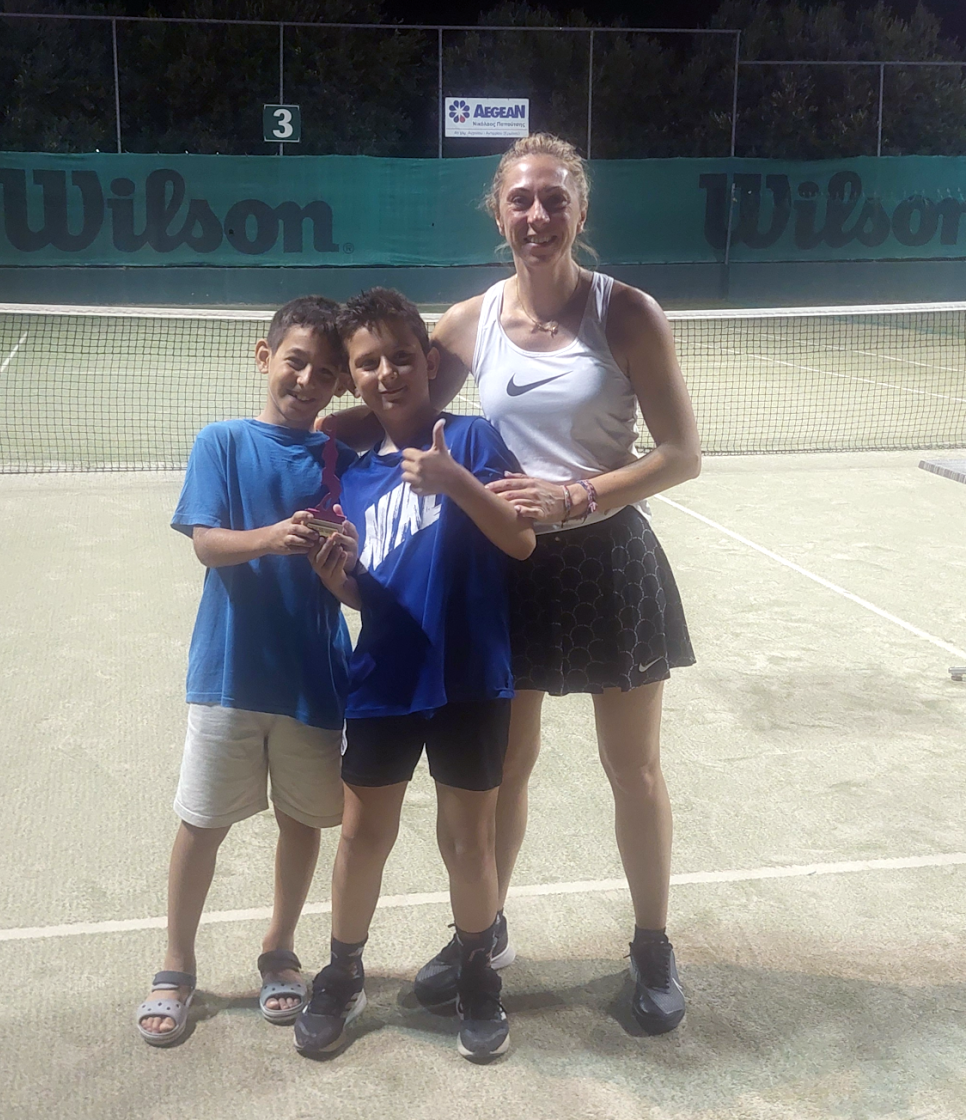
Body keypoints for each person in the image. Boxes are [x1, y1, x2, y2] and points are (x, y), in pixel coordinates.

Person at [324, 134, 701, 1035]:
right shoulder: (468, 321)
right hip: (503, 567)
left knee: (632, 768)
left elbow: (681, 455)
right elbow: (398, 400)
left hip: (608, 563)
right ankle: (483, 936)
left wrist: (578, 494)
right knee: (503, 770)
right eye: (520, 200)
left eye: (554, 199)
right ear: (496, 212)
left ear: (579, 210)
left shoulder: (627, 313)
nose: (537, 215)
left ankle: (652, 945)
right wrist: (290, 436)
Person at [293, 287, 535, 1062]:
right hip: (386, 676)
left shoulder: (471, 438)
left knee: (469, 843)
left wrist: (453, 479)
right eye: (368, 363)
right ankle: (342, 972)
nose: (387, 373)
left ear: (428, 362)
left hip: (471, 676)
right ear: (352, 378)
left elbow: (520, 541)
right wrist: (341, 584)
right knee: (362, 835)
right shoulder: (353, 475)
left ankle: (476, 975)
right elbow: (371, 589)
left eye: (400, 357)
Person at [136, 297, 358, 1046]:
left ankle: (279, 948)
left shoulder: (341, 457)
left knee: (302, 822)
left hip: (314, 680)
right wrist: (271, 536)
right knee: (202, 824)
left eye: (325, 373)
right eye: (295, 361)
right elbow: (206, 542)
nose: (307, 380)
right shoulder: (223, 442)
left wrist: (338, 559)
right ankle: (176, 963)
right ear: (264, 357)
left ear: (339, 384)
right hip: (229, 672)